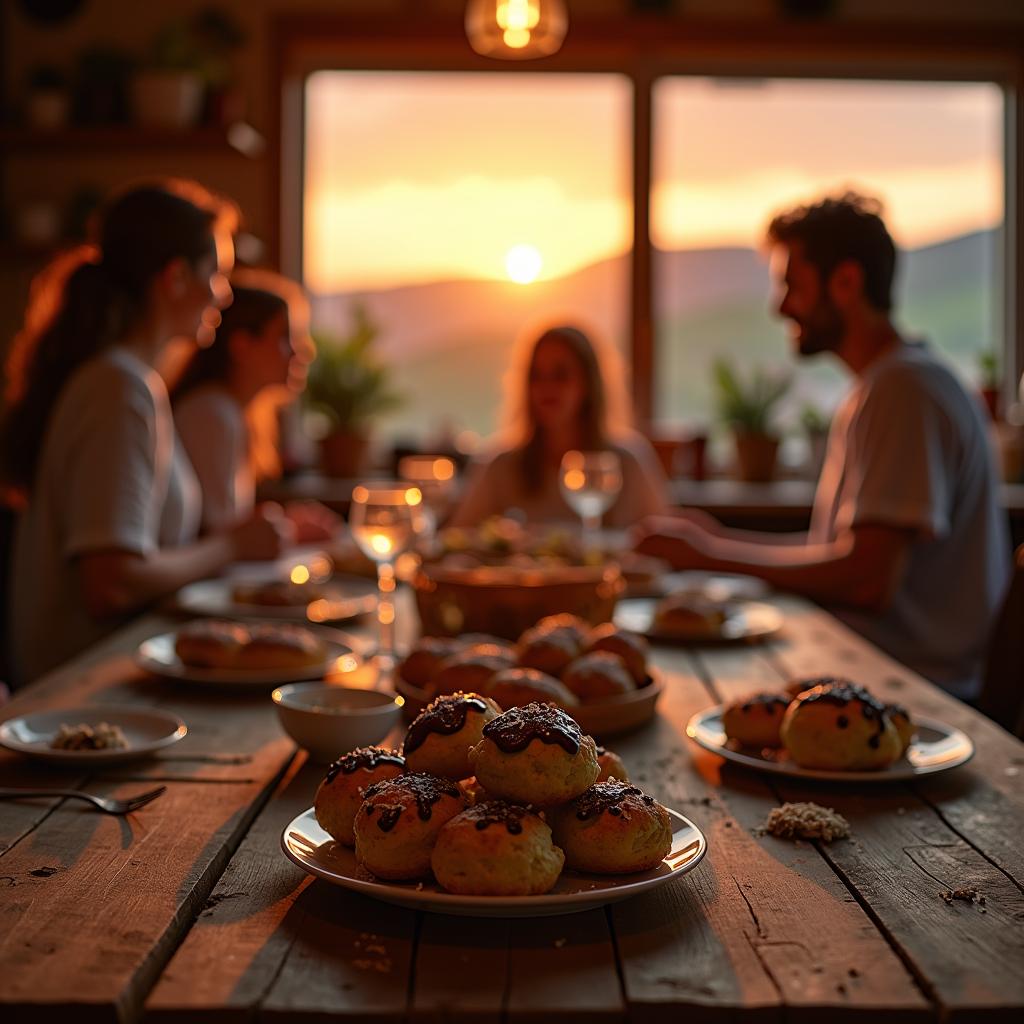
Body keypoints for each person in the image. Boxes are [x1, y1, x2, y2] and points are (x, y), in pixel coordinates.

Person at [636, 193, 1009, 698]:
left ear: (847, 283)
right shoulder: (887, 385)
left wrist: (711, 553)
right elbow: (845, 556)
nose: (781, 305)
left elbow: (866, 581)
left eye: (793, 284)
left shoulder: (904, 390)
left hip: (912, 694)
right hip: (871, 676)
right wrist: (713, 541)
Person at [0, 179, 293, 683]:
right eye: (218, 275)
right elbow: (110, 583)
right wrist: (232, 546)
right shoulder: (118, 388)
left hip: (118, 674)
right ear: (175, 278)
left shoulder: (129, 382)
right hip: (81, 691)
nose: (224, 296)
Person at [173, 268, 338, 541]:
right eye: (286, 337)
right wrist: (290, 532)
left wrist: (285, 524)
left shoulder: (229, 412)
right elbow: (219, 541)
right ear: (242, 345)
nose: (303, 351)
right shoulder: (211, 414)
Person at [449, 324, 667, 529]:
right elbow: (458, 539)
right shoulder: (500, 465)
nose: (547, 387)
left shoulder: (628, 462)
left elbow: (663, 540)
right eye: (537, 375)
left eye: (560, 375)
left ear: (588, 384)